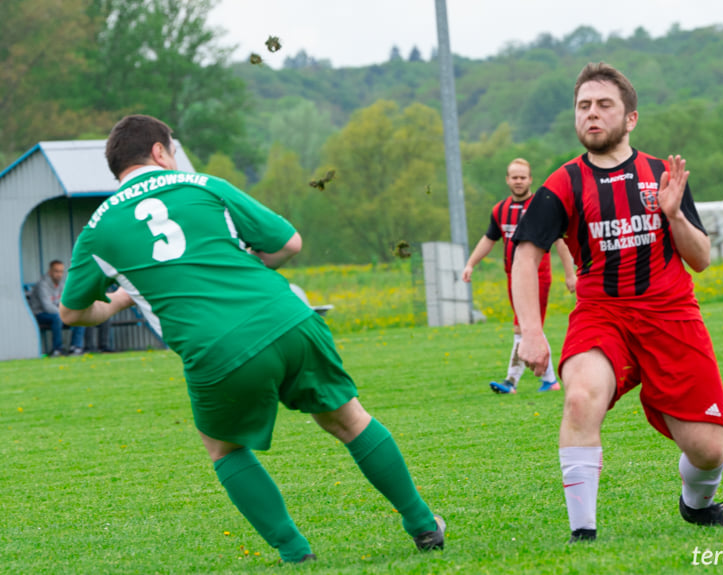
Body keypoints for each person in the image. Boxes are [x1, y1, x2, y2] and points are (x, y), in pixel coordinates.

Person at [59, 114, 445, 564]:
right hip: (287, 316)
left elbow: (71, 311)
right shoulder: (203, 185)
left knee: (223, 447)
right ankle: (422, 524)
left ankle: (296, 554)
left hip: (216, 347)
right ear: (160, 152)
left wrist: (115, 304)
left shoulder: (98, 229)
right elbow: (289, 244)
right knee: (348, 418)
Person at [510, 62, 723, 543]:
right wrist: (532, 330)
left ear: (631, 118)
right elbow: (525, 254)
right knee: (579, 398)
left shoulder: (663, 175)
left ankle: (698, 506)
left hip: (671, 317)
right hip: (603, 316)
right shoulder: (562, 184)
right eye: (584, 107)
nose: (592, 115)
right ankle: (584, 535)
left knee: (707, 450)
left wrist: (674, 216)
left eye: (604, 105)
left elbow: (700, 258)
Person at [461, 158, 576, 394]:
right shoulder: (500, 210)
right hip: (511, 277)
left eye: (523, 177)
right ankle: (549, 380)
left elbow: (560, 241)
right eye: (514, 177)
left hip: (538, 277)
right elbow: (489, 238)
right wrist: (471, 263)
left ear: (530, 179)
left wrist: (569, 273)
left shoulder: (543, 206)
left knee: (524, 327)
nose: (519, 181)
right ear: (507, 180)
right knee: (527, 328)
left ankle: (511, 382)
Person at [30, 260, 86, 357]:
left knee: (79, 316)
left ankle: (75, 348)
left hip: (57, 314)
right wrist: (64, 313)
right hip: (40, 314)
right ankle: (57, 349)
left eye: (61, 272)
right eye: (56, 271)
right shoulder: (42, 284)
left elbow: (66, 302)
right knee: (57, 318)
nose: (59, 274)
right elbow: (47, 307)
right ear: (50, 272)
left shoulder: (62, 284)